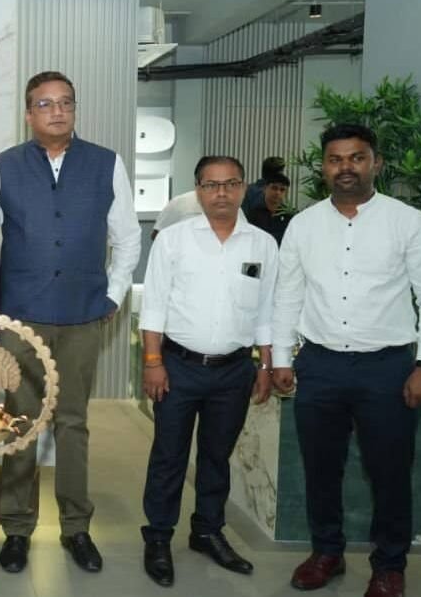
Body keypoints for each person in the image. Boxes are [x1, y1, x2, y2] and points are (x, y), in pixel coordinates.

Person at [272, 124, 421, 597]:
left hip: (387, 369)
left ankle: (389, 566)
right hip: (320, 366)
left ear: (376, 163)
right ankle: (326, 553)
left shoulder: (410, 222)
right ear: (324, 167)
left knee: (390, 472)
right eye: (336, 159)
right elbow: (287, 295)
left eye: (357, 157)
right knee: (320, 469)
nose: (346, 167)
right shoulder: (303, 225)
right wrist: (280, 358)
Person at [0, 71, 141, 574]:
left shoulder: (106, 163)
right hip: (21, 318)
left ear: (74, 109)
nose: (57, 111)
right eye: (45, 104)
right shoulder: (3, 165)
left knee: (73, 423)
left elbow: (127, 238)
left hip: (81, 316)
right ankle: (16, 528)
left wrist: (113, 294)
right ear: (28, 113)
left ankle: (77, 528)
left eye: (65, 103)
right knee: (20, 423)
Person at [138, 156, 278, 587]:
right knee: (169, 456)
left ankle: (207, 531)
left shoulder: (262, 245)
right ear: (197, 190)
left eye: (230, 184)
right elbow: (154, 306)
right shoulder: (173, 240)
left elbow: (266, 310)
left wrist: (266, 363)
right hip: (178, 367)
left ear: (244, 188)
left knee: (218, 457)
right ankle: (158, 537)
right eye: (211, 185)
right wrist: (153, 363)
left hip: (234, 371)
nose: (221, 193)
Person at [246, 172, 292, 245]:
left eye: (282, 190)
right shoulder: (253, 213)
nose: (278, 193)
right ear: (265, 189)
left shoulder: (288, 215)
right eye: (274, 188)